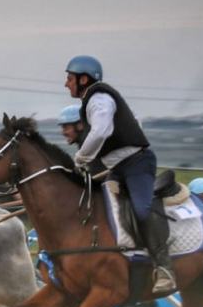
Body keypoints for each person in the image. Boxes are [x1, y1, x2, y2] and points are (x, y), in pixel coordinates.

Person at [64, 55, 176, 294]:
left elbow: (101, 131)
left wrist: (81, 159)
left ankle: (165, 267)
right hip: (117, 169)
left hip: (137, 165)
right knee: (98, 206)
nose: (66, 84)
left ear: (84, 79)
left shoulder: (100, 99)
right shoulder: (93, 101)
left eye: (70, 78)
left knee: (141, 210)